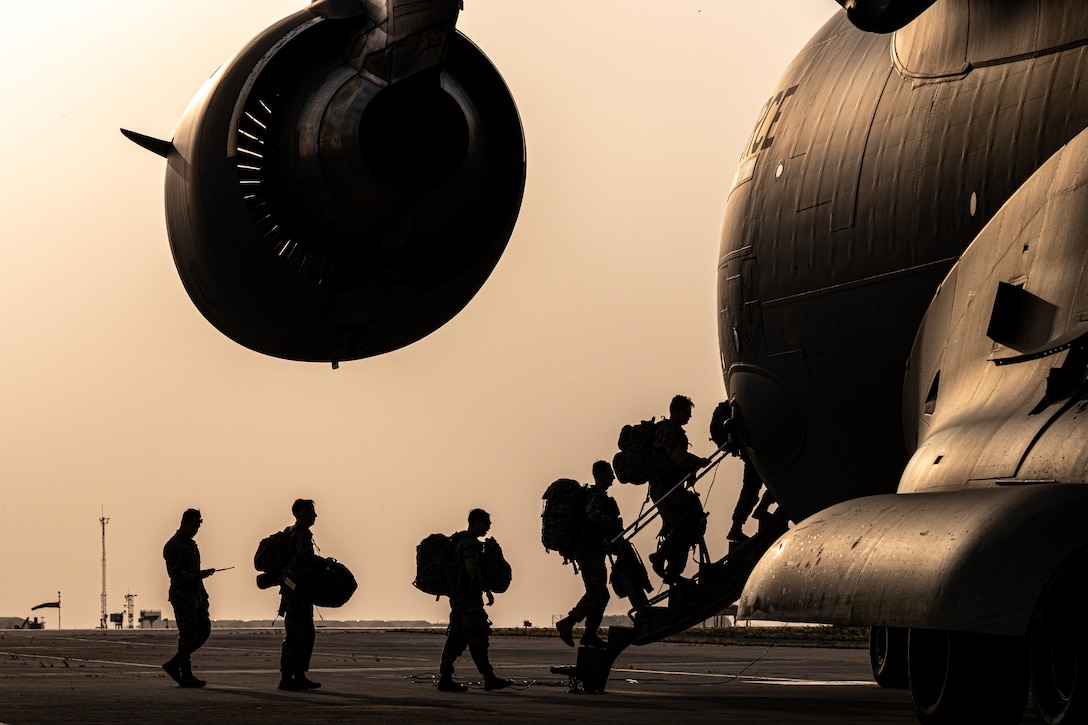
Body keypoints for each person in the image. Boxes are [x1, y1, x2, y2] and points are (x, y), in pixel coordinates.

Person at [437, 508, 513, 693]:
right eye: (486, 523)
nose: (488, 527)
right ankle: (488, 677)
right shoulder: (468, 544)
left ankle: (447, 677)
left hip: (460, 598)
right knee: (477, 638)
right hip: (467, 599)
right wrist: (486, 589)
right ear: (476, 522)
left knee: (457, 638)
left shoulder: (461, 541)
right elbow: (472, 569)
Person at [555, 461, 623, 648]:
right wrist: (613, 523)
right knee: (597, 592)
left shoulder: (598, 496)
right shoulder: (595, 496)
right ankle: (568, 623)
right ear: (600, 474)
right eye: (609, 473)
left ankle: (589, 634)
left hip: (594, 551)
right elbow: (594, 515)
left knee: (601, 594)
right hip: (588, 551)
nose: (613, 478)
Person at [646, 395, 711, 582]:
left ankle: (673, 571)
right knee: (686, 523)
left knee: (693, 523)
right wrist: (697, 462)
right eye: (687, 413)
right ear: (676, 411)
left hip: (672, 488)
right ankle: (661, 556)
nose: (689, 418)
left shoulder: (672, 431)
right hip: (664, 490)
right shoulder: (668, 431)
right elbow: (678, 458)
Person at [162, 508, 215, 688]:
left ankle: (174, 664)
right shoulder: (173, 546)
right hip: (182, 596)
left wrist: (203, 592)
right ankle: (186, 673)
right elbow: (176, 574)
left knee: (204, 630)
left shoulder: (191, 545)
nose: (197, 528)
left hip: (196, 596)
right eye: (196, 523)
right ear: (187, 522)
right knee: (188, 635)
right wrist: (199, 576)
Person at [709, 401, 776, 543]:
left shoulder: (736, 404)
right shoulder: (737, 405)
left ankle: (739, 525)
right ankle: (756, 513)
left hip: (753, 448)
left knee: (751, 489)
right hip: (755, 448)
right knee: (775, 480)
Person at [278, 498, 321, 691]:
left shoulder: (290, 533)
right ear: (302, 514)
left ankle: (296, 676)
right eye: (311, 512)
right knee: (300, 635)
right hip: (298, 594)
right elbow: (306, 560)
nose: (315, 516)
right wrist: (324, 565)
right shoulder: (301, 535)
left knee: (298, 634)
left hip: (292, 592)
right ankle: (290, 677)